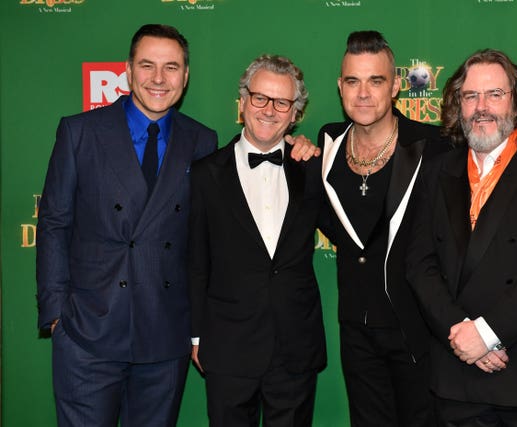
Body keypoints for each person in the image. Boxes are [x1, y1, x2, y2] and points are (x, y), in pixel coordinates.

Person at [36, 24, 317, 427]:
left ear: (185, 77)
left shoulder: (201, 141)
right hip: (88, 335)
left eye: (171, 67)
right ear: (129, 71)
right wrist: (57, 315)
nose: (158, 78)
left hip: (164, 335)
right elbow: (54, 224)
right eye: (147, 65)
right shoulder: (80, 132)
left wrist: (297, 145)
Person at [406, 48, 517, 427]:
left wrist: (487, 335)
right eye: (470, 96)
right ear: (458, 105)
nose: (481, 106)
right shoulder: (436, 171)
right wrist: (462, 336)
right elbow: (420, 264)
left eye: (495, 94)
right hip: (457, 376)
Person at [317, 31, 449, 426]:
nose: (363, 93)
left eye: (375, 81)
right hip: (357, 327)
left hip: (416, 328)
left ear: (394, 86)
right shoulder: (327, 143)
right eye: (353, 81)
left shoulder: (432, 147)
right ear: (340, 86)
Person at [188, 54, 328, 427]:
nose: (269, 110)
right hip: (227, 344)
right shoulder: (205, 174)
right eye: (260, 98)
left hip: (295, 345)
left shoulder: (312, 168)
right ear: (243, 101)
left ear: (295, 113)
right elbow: (196, 260)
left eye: (282, 102)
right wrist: (197, 336)